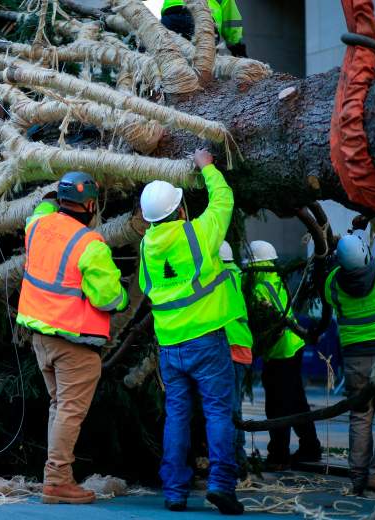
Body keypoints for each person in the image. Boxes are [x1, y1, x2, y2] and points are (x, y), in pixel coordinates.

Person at [138, 149, 243, 515]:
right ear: (180, 210)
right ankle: (221, 485)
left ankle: (175, 492)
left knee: (177, 415)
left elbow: (147, 286)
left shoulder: (146, 248)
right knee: (217, 412)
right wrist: (208, 167)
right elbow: (223, 199)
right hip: (207, 340)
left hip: (170, 347)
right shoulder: (198, 234)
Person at [17, 171, 129, 504]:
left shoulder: (36, 226)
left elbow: (40, 210)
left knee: (59, 408)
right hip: (73, 343)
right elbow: (108, 298)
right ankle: (57, 481)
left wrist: (53, 196)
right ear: (92, 205)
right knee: (68, 411)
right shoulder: (89, 244)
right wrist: (124, 297)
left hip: (41, 338)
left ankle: (57, 476)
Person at [323, 234, 375, 495]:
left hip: (354, 359)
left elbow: (331, 284)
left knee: (360, 416)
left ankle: (358, 478)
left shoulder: (332, 283)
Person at [246, 240, 322, 471]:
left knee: (277, 405)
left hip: (281, 352)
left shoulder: (259, 287)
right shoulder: (274, 279)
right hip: (291, 347)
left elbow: (266, 324)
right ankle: (311, 447)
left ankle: (278, 455)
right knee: (296, 401)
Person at [220, 241, 253, 476]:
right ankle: (238, 460)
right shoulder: (234, 275)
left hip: (228, 346)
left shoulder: (218, 277)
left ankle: (236, 462)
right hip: (241, 345)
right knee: (235, 407)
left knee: (229, 409)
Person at [160, 0, 248, 57]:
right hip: (206, 23)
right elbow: (231, 21)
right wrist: (237, 47)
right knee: (201, 67)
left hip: (173, 15)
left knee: (163, 56)